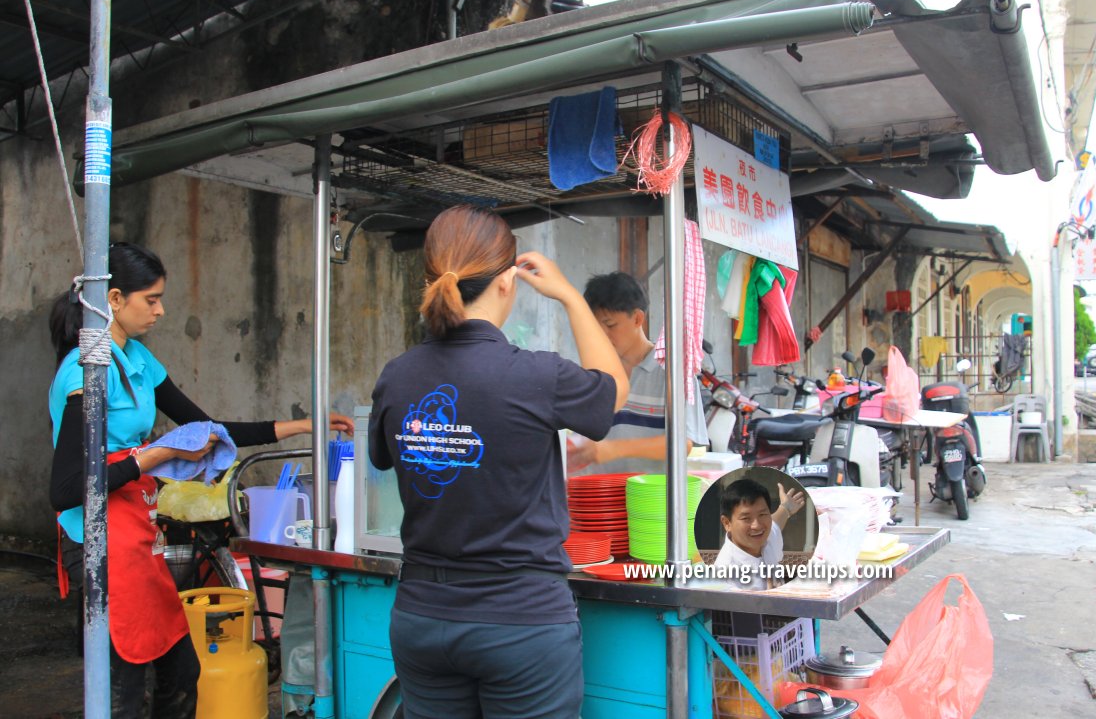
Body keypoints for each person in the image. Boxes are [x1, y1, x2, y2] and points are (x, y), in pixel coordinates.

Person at [48, 242, 353, 719]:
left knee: (179, 672)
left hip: (138, 530)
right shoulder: (85, 372)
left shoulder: (141, 363)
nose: (160, 309)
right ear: (112, 299)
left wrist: (299, 426)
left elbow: (205, 429)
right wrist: (157, 456)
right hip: (99, 542)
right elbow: (67, 490)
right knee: (121, 690)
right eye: (150, 299)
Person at [368, 205, 628, 719]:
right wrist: (570, 296)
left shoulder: (397, 376)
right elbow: (612, 391)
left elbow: (381, 457)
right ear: (507, 282)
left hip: (422, 619)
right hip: (522, 625)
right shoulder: (536, 376)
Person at [565, 271, 708, 474]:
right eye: (595, 327)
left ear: (638, 318)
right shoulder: (592, 372)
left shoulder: (672, 373)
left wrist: (614, 449)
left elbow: (684, 444)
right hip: (597, 499)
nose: (602, 335)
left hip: (650, 500)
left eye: (610, 325)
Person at [713, 477, 805, 591]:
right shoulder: (726, 575)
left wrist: (786, 508)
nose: (757, 526)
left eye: (762, 515)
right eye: (746, 518)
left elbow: (776, 522)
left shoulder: (766, 535)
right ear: (727, 523)